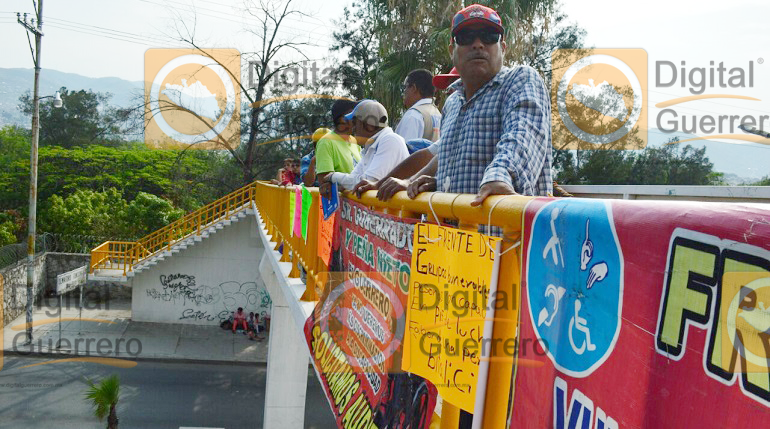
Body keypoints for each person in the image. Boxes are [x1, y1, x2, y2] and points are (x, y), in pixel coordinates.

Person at [355, 4, 552, 207]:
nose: (478, 44)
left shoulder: (520, 80)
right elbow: (443, 153)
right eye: (466, 37)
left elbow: (522, 137)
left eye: (489, 36)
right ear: (452, 51)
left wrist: (501, 175)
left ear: (503, 47)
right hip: (453, 235)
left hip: (504, 234)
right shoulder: (453, 102)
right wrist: (412, 181)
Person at [322, 99, 409, 196]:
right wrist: (339, 185)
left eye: (355, 123)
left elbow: (366, 182)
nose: (353, 128)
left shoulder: (390, 140)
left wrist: (333, 177)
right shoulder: (370, 147)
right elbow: (353, 179)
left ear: (370, 125)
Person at [315, 99, 361, 186]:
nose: (358, 118)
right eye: (354, 115)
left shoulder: (354, 141)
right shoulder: (326, 142)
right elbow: (325, 185)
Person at [395, 69, 442, 142]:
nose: (404, 92)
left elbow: (404, 151)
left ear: (414, 88)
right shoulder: (438, 114)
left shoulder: (413, 115)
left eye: (405, 87)